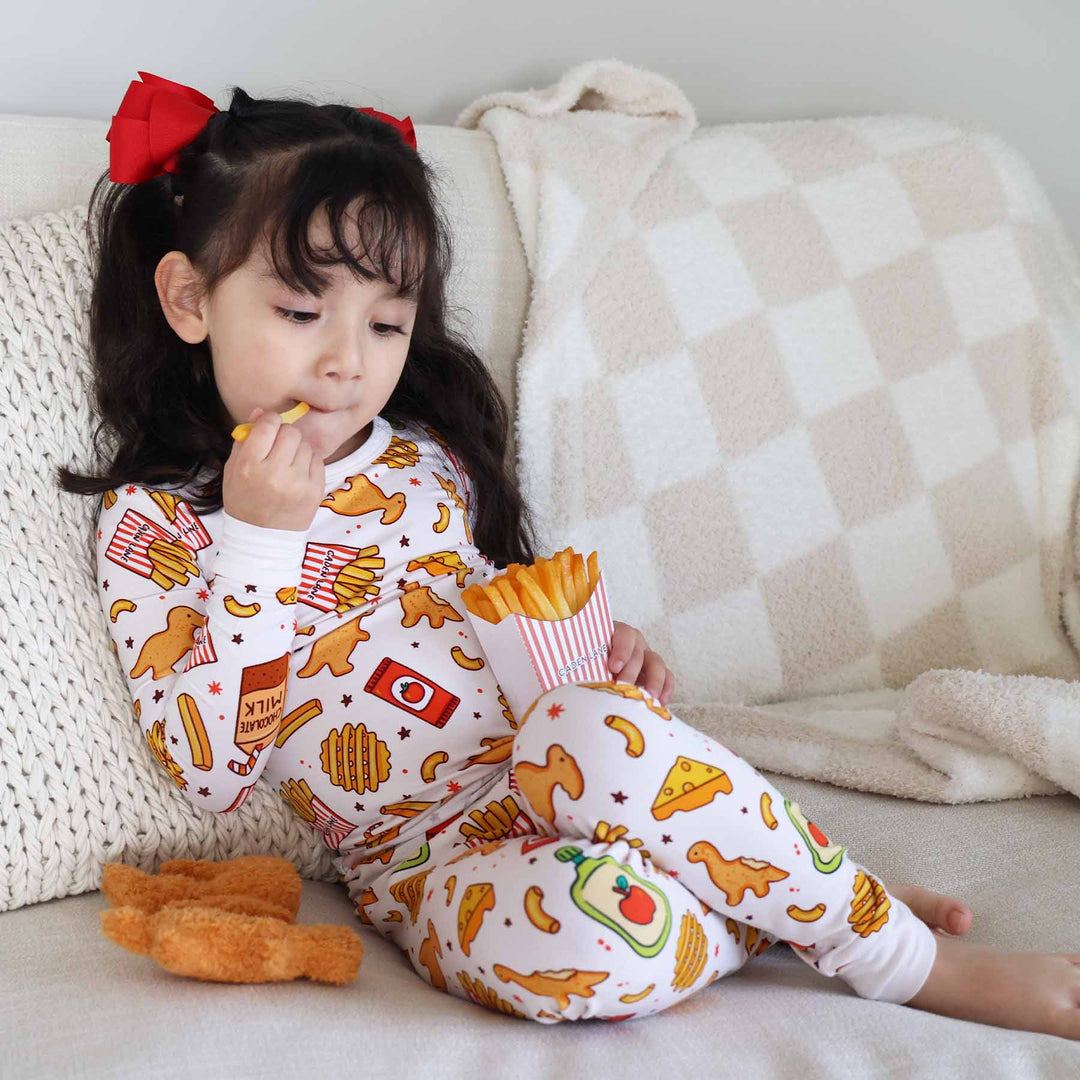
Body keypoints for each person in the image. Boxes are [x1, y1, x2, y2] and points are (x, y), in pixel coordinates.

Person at [61, 71, 1080, 1038]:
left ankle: (905, 962)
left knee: (594, 731)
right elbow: (210, 772)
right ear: (191, 301)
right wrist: (259, 545)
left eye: (385, 323)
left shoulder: (423, 462)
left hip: (568, 765)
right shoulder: (157, 524)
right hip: (426, 867)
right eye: (299, 312)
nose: (345, 360)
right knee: (581, 951)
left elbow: (496, 620)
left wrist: (601, 651)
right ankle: (770, 900)